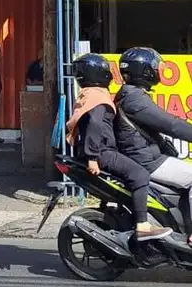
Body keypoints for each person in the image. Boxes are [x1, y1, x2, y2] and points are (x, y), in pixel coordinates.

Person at [66, 53, 171, 242]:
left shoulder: (89, 95)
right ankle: (143, 226)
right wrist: (92, 157)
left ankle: (122, 213)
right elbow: (96, 126)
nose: (110, 74)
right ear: (98, 74)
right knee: (139, 175)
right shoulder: (98, 99)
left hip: (102, 150)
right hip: (103, 153)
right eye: (106, 71)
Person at [114, 46, 192, 244]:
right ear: (145, 71)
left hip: (147, 155)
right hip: (147, 161)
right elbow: (171, 125)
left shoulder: (132, 94)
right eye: (155, 67)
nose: (158, 71)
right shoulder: (135, 99)